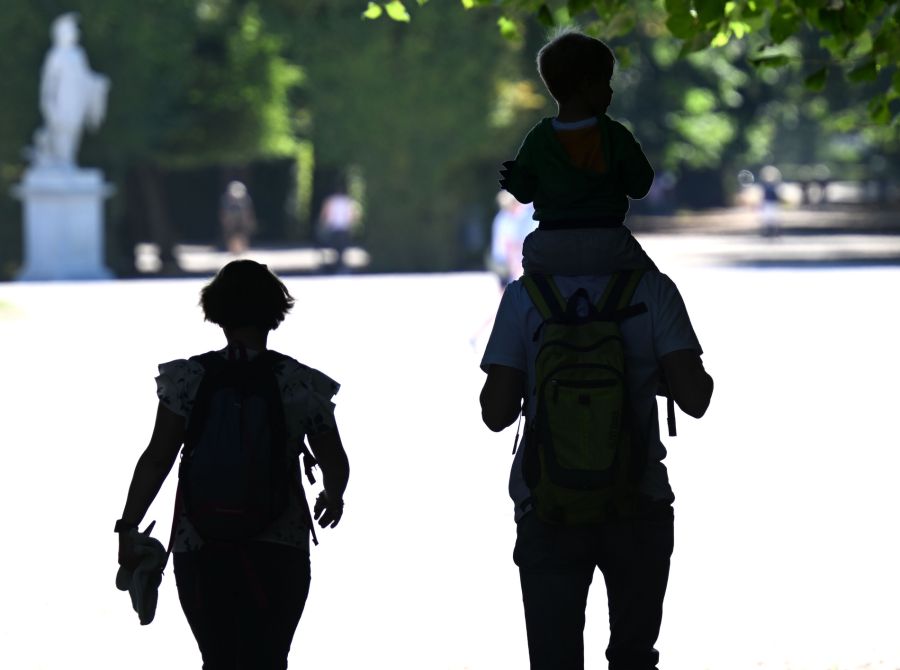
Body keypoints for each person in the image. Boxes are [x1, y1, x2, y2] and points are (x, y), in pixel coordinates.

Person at [116, 260, 350, 669]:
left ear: (217, 313)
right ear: (275, 316)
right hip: (280, 545)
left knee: (218, 657)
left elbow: (157, 459)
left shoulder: (187, 380)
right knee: (269, 657)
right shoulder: (299, 383)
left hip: (202, 544)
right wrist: (333, 496)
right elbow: (335, 460)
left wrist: (128, 525)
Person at [479, 267, 713, 667]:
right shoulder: (652, 288)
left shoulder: (524, 296)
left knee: (554, 661)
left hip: (547, 506)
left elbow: (495, 413)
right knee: (634, 658)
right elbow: (696, 399)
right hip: (639, 502)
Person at [500, 29, 657, 277]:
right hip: (607, 243)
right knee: (657, 289)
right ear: (586, 85)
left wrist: (514, 179)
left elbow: (523, 192)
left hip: (550, 244)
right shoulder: (614, 134)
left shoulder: (539, 138)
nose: (611, 91)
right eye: (606, 82)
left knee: (523, 294)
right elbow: (640, 186)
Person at [37, 12, 109, 168]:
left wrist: (98, 83)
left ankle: (67, 162)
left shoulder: (78, 55)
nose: (76, 33)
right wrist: (49, 108)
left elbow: (85, 78)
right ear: (61, 33)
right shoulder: (55, 56)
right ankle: (62, 163)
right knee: (62, 135)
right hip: (62, 105)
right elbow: (49, 86)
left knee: (73, 135)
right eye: (71, 29)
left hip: (76, 105)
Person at [318, 190, 361, 272]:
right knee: (342, 248)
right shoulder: (347, 201)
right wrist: (351, 223)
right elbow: (353, 213)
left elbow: (326, 212)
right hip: (344, 227)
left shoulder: (331, 200)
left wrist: (324, 223)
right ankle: (340, 265)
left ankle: (337, 265)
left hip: (334, 227)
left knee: (335, 247)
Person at [219, 180, 258, 253]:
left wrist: (248, 220)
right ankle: (235, 249)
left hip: (240, 219)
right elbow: (224, 212)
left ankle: (241, 248)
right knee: (233, 233)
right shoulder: (226, 200)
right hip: (232, 219)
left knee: (242, 233)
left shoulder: (246, 199)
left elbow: (248, 211)